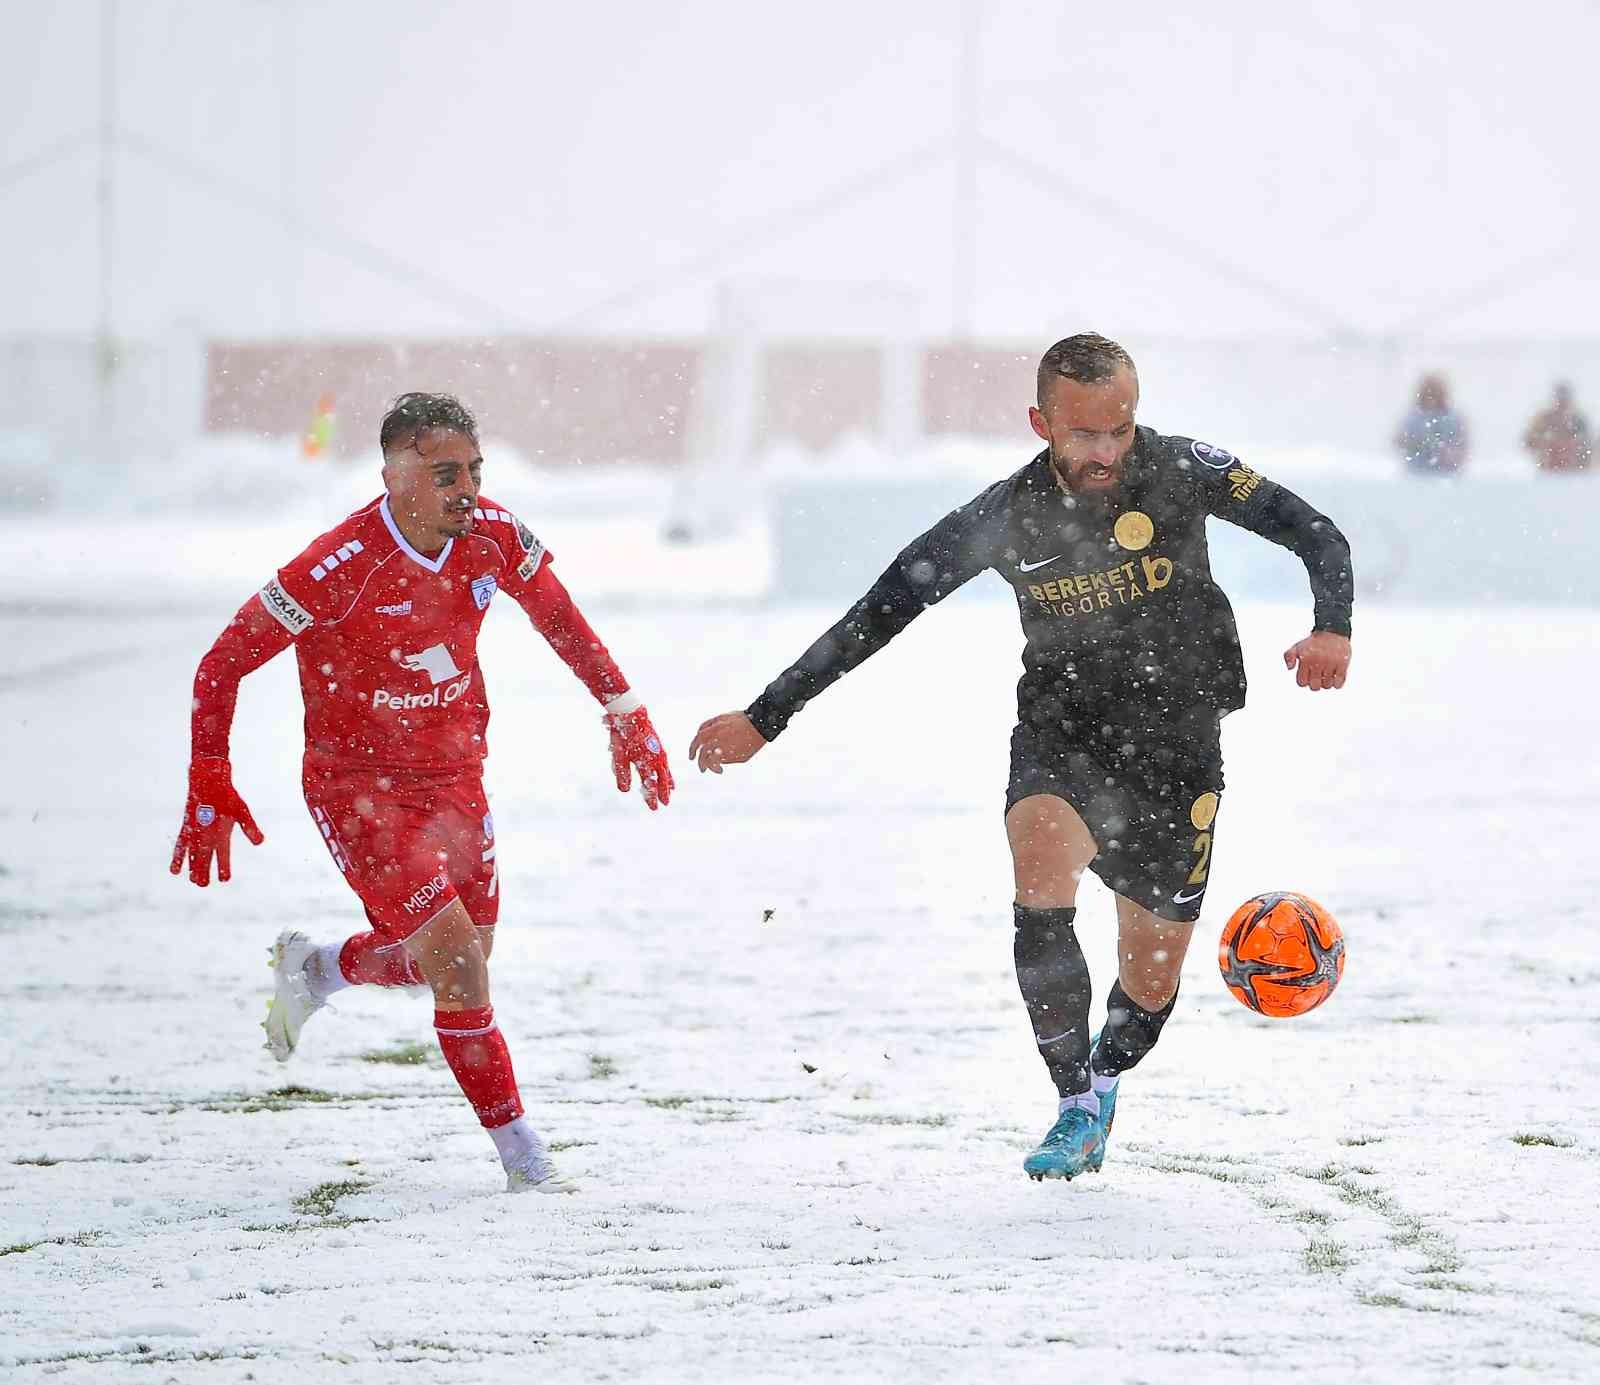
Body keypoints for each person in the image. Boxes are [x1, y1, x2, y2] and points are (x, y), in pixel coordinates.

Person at [688, 334, 1353, 1182]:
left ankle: (1105, 1078)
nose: (1106, 452)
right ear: (1042, 423)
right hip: (1062, 736)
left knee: (1149, 982)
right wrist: (766, 716)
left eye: (1120, 430)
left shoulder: (1184, 469)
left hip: (1179, 749)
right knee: (1039, 856)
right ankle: (1073, 1099)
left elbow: (1316, 531)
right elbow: (878, 612)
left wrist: (1332, 626)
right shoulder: (1005, 515)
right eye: (1085, 434)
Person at [170, 392, 673, 1194]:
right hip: (357, 788)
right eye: (446, 474)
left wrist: (625, 707)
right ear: (394, 476)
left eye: (474, 470)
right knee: (461, 964)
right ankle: (526, 1160)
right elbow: (222, 662)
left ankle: (319, 969)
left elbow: (559, 618)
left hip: (457, 778)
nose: (466, 489)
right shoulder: (338, 564)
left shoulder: (493, 536)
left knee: (447, 963)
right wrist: (209, 772)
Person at [1394, 374, 1468, 475]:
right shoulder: (1413, 418)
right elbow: (1399, 442)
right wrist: (1418, 445)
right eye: (1429, 394)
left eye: (1435, 394)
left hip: (1446, 474)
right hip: (1417, 473)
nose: (1432, 398)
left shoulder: (1452, 418)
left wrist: (1449, 454)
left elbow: (1462, 448)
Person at [1522, 382, 1592, 474]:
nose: (1562, 404)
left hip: (1573, 472)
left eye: (1565, 400)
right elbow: (1528, 442)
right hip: (1548, 472)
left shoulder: (1578, 421)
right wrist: (1545, 443)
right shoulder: (1544, 420)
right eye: (1560, 400)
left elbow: (1588, 447)